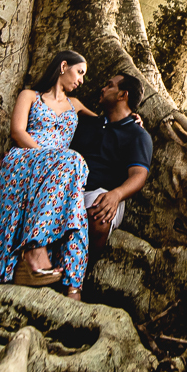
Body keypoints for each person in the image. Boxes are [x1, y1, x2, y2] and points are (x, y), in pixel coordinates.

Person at [0, 51, 93, 310]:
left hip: (59, 173)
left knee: (75, 203)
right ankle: (34, 252)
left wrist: (134, 120)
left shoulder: (76, 105)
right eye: (80, 72)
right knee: (73, 161)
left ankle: (73, 287)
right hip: (25, 160)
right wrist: (45, 157)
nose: (81, 80)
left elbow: (107, 124)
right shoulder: (29, 96)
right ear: (64, 66)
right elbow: (17, 131)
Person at [70, 73, 153, 257]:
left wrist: (117, 194)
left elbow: (139, 175)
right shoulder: (87, 123)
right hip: (68, 187)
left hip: (103, 192)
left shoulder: (138, 135)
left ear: (122, 95)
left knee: (99, 217)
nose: (103, 88)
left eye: (109, 85)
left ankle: (78, 275)